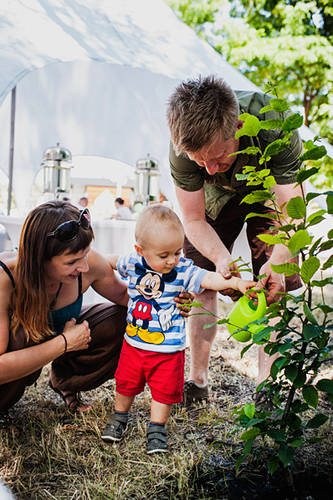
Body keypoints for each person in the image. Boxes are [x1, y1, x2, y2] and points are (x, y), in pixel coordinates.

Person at [166, 75, 303, 406]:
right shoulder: (184, 150)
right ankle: (197, 382)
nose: (210, 168)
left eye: (218, 155)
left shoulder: (275, 125)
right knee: (200, 277)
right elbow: (195, 219)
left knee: (275, 281)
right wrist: (220, 259)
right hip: (215, 200)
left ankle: (266, 386)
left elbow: (292, 211)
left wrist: (280, 257)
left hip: (266, 189)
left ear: (239, 126)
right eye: (201, 160)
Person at [0, 201, 193, 420]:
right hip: (22, 354)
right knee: (19, 337)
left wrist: (170, 301)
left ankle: (66, 382)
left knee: (127, 320)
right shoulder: (5, 278)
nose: (84, 266)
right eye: (72, 261)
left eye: (85, 254)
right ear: (39, 259)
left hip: (60, 340)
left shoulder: (89, 263)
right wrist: (64, 343)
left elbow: (124, 297)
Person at [101, 204, 256, 453]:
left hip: (168, 350)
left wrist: (237, 283)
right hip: (134, 345)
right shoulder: (132, 263)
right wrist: (91, 259)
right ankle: (120, 417)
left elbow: (207, 278)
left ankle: (156, 428)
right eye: (164, 255)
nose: (172, 260)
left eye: (177, 251)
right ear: (140, 250)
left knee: (164, 391)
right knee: (126, 383)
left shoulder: (183, 269)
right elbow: (108, 261)